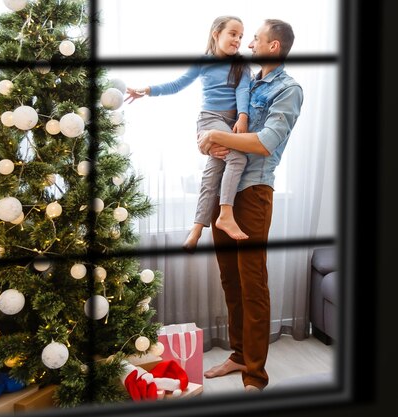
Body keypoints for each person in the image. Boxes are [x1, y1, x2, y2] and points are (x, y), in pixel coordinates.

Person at [197, 19, 303, 392]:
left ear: (272, 47)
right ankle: (239, 354)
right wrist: (206, 139)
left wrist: (216, 135)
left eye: (255, 38)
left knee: (252, 283)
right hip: (224, 193)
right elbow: (214, 122)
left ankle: (254, 376)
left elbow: (265, 142)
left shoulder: (289, 90)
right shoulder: (246, 79)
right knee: (230, 280)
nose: (248, 42)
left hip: (254, 193)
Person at [125, 15, 252, 253]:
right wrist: (148, 90)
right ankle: (226, 213)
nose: (238, 40)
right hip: (210, 120)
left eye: (241, 36)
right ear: (216, 34)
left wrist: (243, 116)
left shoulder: (242, 65)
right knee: (238, 158)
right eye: (233, 34)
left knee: (212, 173)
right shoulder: (203, 62)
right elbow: (177, 84)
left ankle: (195, 230)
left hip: (231, 121)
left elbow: (243, 90)